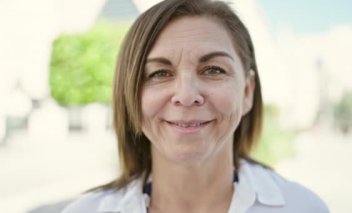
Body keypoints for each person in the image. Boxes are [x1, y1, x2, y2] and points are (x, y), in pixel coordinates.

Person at [62, 0, 329, 212]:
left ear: (247, 92)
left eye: (213, 70)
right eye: (159, 73)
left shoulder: (304, 208)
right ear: (131, 94)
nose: (186, 95)